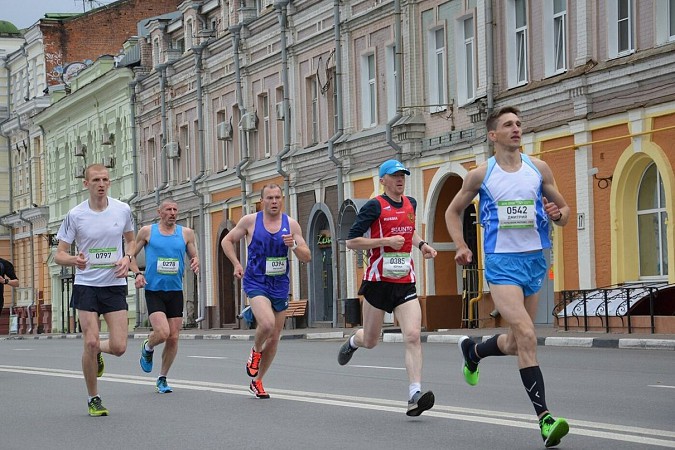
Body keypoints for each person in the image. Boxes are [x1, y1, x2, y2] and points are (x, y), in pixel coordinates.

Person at [445, 106, 570, 448]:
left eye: (518, 124)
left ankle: (473, 352)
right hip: (501, 264)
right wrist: (460, 245)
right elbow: (452, 211)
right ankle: (545, 419)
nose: (516, 129)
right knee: (529, 334)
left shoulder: (538, 168)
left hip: (534, 262)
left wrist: (558, 213)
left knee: (517, 342)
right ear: (493, 135)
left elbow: (566, 213)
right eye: (508, 125)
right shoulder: (481, 175)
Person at [338, 159, 438, 417]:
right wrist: (385, 241)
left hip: (404, 281)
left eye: (402, 174)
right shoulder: (374, 206)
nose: (400, 179)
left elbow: (410, 231)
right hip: (378, 282)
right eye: (394, 175)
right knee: (371, 340)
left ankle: (414, 395)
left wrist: (422, 245)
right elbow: (351, 242)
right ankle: (353, 341)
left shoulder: (411, 204)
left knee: (413, 335)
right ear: (383, 180)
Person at [55, 163, 136, 417]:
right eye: (96, 180)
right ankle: (94, 398)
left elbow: (132, 241)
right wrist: (73, 261)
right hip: (86, 284)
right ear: (86, 184)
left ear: (109, 183)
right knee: (89, 341)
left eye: (105, 179)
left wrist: (127, 258)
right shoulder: (75, 215)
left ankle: (98, 351)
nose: (101, 184)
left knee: (120, 347)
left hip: (114, 284)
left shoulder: (122, 210)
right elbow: (59, 255)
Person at [221, 184, 311, 399]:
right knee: (268, 324)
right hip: (256, 282)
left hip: (279, 285)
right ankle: (255, 350)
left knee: (275, 337)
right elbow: (227, 240)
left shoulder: (291, 224)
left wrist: (294, 246)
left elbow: (306, 256)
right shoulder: (250, 221)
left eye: (277, 197)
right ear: (262, 201)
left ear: (282, 199)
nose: (274, 201)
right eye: (269, 198)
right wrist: (236, 263)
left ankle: (258, 381)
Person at [129, 198, 199, 393]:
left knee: (174, 337)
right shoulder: (147, 231)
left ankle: (162, 378)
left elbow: (194, 255)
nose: (173, 212)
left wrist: (196, 262)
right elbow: (130, 256)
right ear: (159, 212)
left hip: (175, 291)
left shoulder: (185, 233)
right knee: (162, 332)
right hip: (154, 291)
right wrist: (137, 273)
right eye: (168, 209)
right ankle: (148, 347)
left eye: (175, 209)